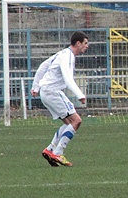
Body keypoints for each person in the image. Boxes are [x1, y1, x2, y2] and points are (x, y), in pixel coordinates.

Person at [31, 31, 90, 167]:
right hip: (53, 92)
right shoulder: (67, 56)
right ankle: (58, 152)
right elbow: (68, 78)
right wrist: (79, 94)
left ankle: (50, 149)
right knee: (76, 121)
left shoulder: (62, 53)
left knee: (69, 122)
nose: (86, 46)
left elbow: (42, 67)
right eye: (85, 43)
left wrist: (36, 87)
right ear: (78, 43)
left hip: (47, 92)